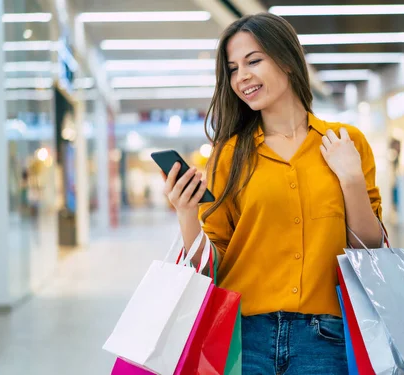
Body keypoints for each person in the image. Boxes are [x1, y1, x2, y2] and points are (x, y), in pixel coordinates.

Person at [163, 13, 384, 375]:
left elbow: (369, 249)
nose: (242, 77)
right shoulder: (229, 154)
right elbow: (214, 263)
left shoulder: (346, 141)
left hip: (325, 338)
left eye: (253, 61)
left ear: (287, 59)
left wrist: (351, 180)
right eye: (233, 69)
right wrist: (187, 214)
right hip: (243, 335)